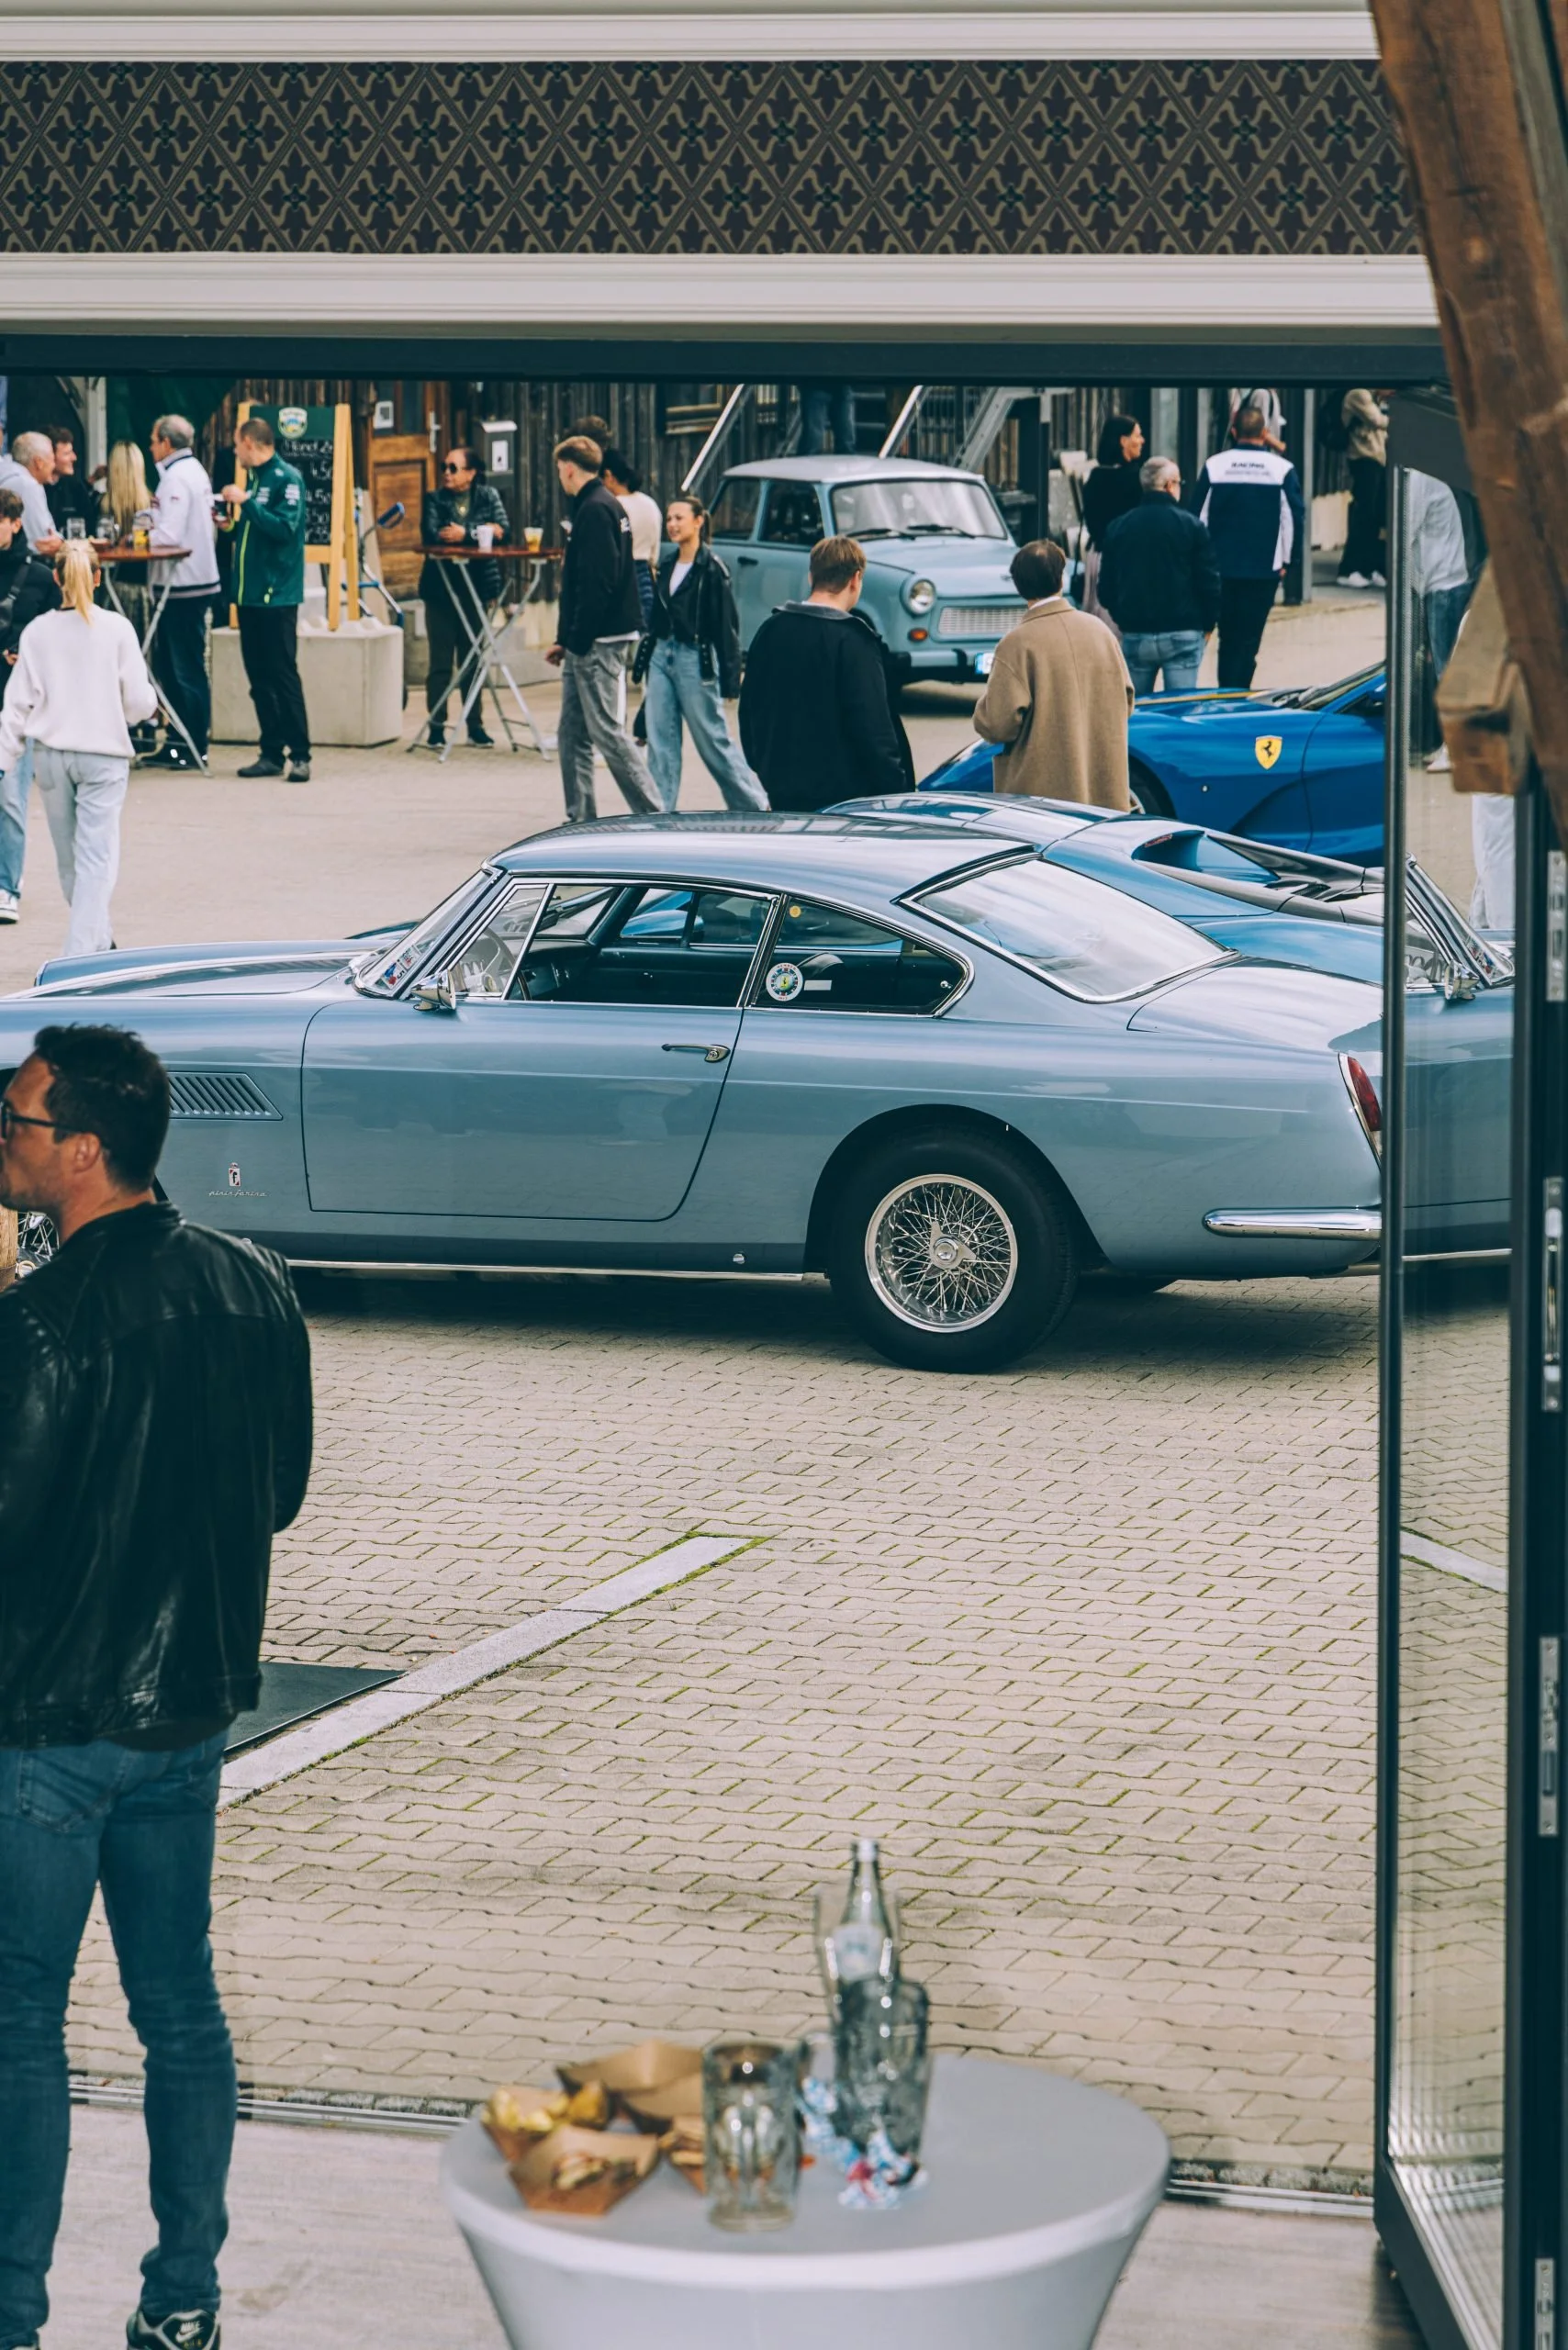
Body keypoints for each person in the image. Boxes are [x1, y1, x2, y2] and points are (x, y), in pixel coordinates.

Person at [0, 1021, 312, 2350]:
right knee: (178, 2008)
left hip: (50, 1731)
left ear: (79, 1150)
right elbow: (279, 1494)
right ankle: (184, 2299)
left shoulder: (45, 1320)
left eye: (14, 1123)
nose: (1, 1140)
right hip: (189, 1713)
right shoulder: (252, 1283)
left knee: (19, 2023)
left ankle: (11, 2310)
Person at [0, 543, 156, 956]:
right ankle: (81, 955)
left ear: (56, 579)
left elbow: (16, 704)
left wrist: (5, 758)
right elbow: (140, 703)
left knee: (70, 861)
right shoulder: (118, 629)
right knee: (96, 859)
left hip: (51, 756)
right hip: (103, 755)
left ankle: (97, 940)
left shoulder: (36, 632)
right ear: (99, 578)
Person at [738, 533, 913, 811]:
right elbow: (874, 729)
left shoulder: (769, 630)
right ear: (855, 579)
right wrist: (895, 790)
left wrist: (764, 768)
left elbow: (748, 711)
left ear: (811, 577)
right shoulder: (854, 642)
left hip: (781, 790)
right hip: (845, 802)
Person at [545, 435, 659, 822]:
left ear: (570, 468)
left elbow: (597, 582)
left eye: (560, 468)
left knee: (607, 732)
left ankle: (652, 814)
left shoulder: (595, 510)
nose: (559, 474)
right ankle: (580, 817)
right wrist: (567, 639)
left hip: (598, 638)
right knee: (572, 733)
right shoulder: (607, 505)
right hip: (591, 636)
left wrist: (576, 638)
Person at [973, 539, 1135, 806]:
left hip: (1040, 802)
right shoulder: (1100, 633)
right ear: (1061, 578)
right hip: (1104, 796)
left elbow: (998, 724)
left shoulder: (1017, 643)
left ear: (1019, 586)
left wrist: (982, 709)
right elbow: (1126, 702)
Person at [635, 492, 767, 811]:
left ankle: (754, 805)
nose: (672, 524)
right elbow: (656, 621)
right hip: (661, 655)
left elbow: (726, 626)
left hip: (695, 658)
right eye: (669, 518)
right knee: (661, 743)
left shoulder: (711, 568)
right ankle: (658, 814)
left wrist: (731, 680)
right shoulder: (666, 564)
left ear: (698, 521)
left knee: (713, 740)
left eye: (679, 518)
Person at [219, 414, 310, 783]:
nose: (235, 451)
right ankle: (270, 751)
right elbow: (254, 532)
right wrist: (230, 525)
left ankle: (300, 754)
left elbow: (284, 528)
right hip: (249, 595)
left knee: (283, 673)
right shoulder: (254, 480)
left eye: (238, 444)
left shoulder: (287, 479)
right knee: (258, 677)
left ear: (251, 444)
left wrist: (247, 505)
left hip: (276, 596)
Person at [1193, 405, 1306, 690]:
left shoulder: (1215, 466)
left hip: (1220, 568)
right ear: (1265, 433)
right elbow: (1292, 518)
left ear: (1234, 432)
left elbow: (1198, 517)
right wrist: (1287, 562)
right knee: (1249, 637)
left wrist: (1199, 562)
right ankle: (1240, 690)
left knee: (1227, 636)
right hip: (1262, 571)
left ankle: (1226, 691)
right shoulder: (1282, 469)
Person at [1097, 456, 1220, 695]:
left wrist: (1124, 618)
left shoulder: (1119, 527)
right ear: (1169, 485)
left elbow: (1106, 589)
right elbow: (1209, 582)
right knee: (1181, 709)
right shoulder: (1191, 526)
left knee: (1137, 711)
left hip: (1136, 631)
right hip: (1183, 629)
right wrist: (1207, 624)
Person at [419, 445, 509, 750]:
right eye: (445, 466)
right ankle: (436, 725)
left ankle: (475, 725)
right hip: (441, 589)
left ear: (471, 474)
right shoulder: (435, 498)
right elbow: (432, 534)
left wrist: (467, 533)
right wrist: (483, 531)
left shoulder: (488, 496)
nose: (446, 473)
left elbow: (503, 531)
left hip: (477, 586)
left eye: (453, 468)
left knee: (472, 658)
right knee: (440, 662)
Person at [0, 491, 62, 924]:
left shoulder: (39, 576)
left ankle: (7, 886)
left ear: (14, 524)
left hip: (16, 705)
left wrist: (29, 655)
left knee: (10, 799)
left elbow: (57, 637)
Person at [146, 415, 219, 772]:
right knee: (177, 665)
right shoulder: (195, 471)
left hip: (183, 584)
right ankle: (178, 744)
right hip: (195, 580)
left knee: (183, 666)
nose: (150, 448)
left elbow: (170, 534)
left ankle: (191, 744)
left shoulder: (176, 476)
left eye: (153, 441)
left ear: (166, 442)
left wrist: (140, 535)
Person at [1080, 413, 1145, 629]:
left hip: (1097, 556)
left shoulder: (1095, 477)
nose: (1142, 440)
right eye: (1137, 435)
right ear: (1123, 441)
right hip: (1126, 559)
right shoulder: (1136, 480)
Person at [601, 450, 663, 628]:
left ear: (609, 476)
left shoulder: (611, 506)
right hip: (644, 572)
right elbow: (654, 553)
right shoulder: (650, 504)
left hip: (619, 575)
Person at [1338, 388, 1389, 588]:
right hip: (1363, 459)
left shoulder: (1374, 397)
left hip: (1377, 460)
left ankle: (1370, 567)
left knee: (1376, 517)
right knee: (1364, 515)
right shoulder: (1358, 395)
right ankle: (1349, 569)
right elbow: (1378, 421)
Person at [0, 433, 62, 556]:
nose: (54, 465)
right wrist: (61, 542)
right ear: (38, 462)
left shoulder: (6, 473)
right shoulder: (28, 485)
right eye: (52, 459)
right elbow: (43, 541)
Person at [43, 425, 97, 538]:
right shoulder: (34, 488)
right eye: (67, 454)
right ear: (50, 457)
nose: (74, 458)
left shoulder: (75, 486)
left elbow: (91, 527)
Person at [797, 382, 857, 456]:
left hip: (825, 383)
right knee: (812, 441)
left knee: (812, 442)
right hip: (834, 383)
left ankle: (805, 465)